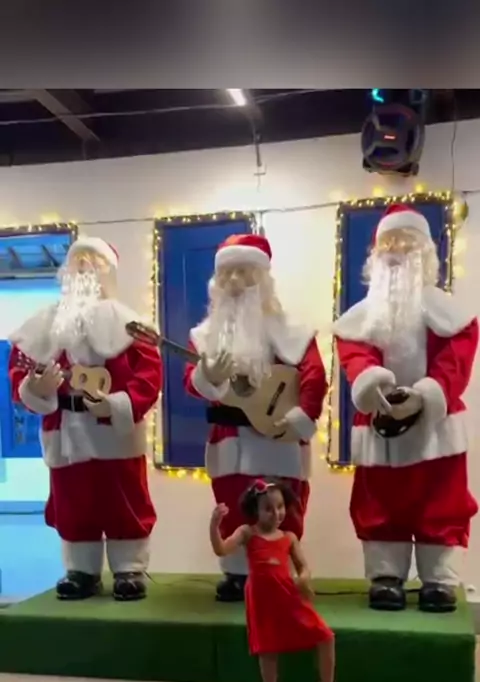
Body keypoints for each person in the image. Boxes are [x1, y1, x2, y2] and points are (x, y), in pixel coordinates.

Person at [333, 203, 478, 613]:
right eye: (389, 246)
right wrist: (370, 382)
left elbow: (456, 359)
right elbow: (355, 353)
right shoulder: (360, 318)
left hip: (436, 429)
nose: (396, 254)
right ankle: (386, 575)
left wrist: (428, 393)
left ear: (424, 254)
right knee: (380, 501)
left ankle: (439, 579)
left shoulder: (452, 314)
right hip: (380, 424)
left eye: (406, 245)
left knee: (441, 500)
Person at [8, 236, 162, 602]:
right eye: (78, 261)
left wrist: (118, 404)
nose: (84, 268)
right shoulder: (44, 324)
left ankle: (129, 569)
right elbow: (19, 370)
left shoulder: (131, 326)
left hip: (115, 432)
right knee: (73, 501)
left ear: (108, 272)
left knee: (124, 498)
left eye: (93, 262)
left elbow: (148, 375)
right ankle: (81, 571)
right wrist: (34, 386)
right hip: (66, 432)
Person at [185, 232, 328, 602]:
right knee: (232, 502)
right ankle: (236, 574)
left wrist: (302, 415)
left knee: (285, 505)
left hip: (281, 437)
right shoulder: (204, 337)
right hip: (231, 440)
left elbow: (313, 375)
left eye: (244, 273)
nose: (235, 282)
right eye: (227, 275)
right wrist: (208, 375)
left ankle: (281, 570)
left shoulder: (294, 332)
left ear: (263, 278)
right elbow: (191, 383)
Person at [210, 479, 335, 682]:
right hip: (261, 597)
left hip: (287, 594)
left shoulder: (289, 537)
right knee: (267, 648)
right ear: (255, 510)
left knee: (325, 636)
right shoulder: (247, 532)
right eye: (268, 508)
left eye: (280, 507)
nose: (276, 513)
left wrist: (303, 578)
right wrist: (214, 525)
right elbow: (221, 549)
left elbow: (303, 566)